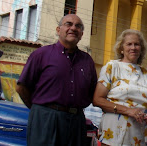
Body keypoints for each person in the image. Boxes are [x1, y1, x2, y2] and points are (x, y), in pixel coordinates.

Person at [16, 14, 98, 146]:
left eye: (78, 26)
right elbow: (21, 87)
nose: (73, 28)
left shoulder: (87, 60)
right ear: (58, 30)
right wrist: (39, 110)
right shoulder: (41, 54)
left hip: (76, 122)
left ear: (82, 34)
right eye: (68, 24)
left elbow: (92, 91)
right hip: (45, 119)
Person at [93, 29, 147, 146]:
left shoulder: (145, 73)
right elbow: (97, 99)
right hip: (114, 133)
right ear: (121, 48)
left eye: (137, 44)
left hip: (138, 134)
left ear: (141, 49)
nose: (133, 47)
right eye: (129, 44)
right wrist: (128, 111)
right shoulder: (112, 67)